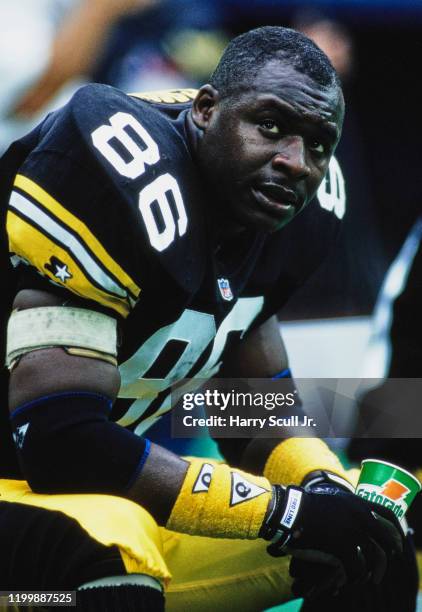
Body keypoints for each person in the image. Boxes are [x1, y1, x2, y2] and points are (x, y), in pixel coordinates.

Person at [0, 26, 417, 611]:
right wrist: (285, 510)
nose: (295, 162)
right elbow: (59, 438)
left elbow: (247, 408)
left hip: (74, 491)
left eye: (318, 144)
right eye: (269, 127)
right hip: (35, 487)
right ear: (204, 110)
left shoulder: (274, 209)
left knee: (366, 540)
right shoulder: (115, 175)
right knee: (112, 549)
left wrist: (319, 484)